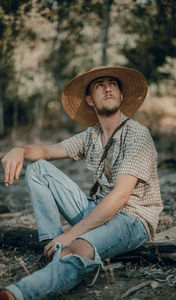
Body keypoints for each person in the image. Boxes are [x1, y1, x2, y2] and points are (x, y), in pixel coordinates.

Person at [0, 66, 163, 300]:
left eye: (113, 84)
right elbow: (46, 150)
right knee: (38, 169)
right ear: (89, 99)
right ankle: (54, 248)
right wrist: (20, 150)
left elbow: (120, 197)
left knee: (78, 247)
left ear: (121, 95)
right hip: (97, 209)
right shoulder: (92, 136)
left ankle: (17, 294)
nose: (108, 88)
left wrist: (72, 234)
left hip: (132, 219)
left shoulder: (138, 135)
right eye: (99, 85)